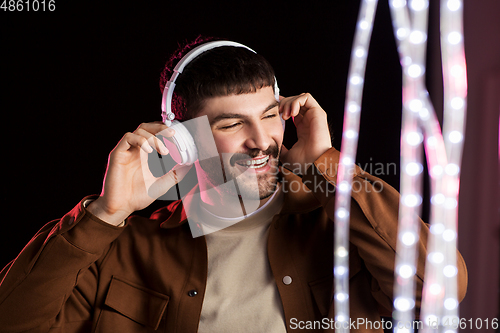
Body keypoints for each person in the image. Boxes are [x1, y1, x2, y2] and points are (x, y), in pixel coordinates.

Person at [0, 36, 467, 333]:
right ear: (182, 140)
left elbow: (441, 291)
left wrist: (327, 167)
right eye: (231, 124)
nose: (262, 141)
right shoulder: (125, 250)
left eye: (269, 115)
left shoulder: (336, 228)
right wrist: (104, 215)